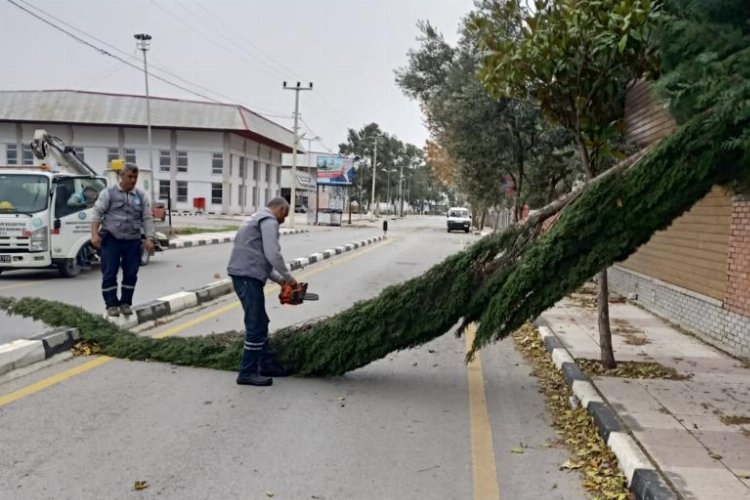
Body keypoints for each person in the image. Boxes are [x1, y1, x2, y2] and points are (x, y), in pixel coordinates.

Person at [227, 197, 297, 387]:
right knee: (256, 325)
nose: (284, 220)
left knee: (261, 321)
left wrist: (281, 281)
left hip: (244, 274)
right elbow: (273, 254)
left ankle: (265, 364)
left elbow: (262, 259)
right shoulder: (269, 221)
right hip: (247, 277)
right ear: (281, 209)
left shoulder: (256, 218)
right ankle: (247, 372)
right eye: (285, 215)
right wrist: (291, 280)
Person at [90, 164, 154, 317]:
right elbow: (97, 214)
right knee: (110, 273)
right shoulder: (108, 194)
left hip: (132, 240)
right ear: (122, 176)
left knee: (131, 273)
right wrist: (94, 234)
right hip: (112, 240)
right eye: (130, 177)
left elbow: (147, 218)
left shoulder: (141, 196)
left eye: (135, 177)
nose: (133, 180)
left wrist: (149, 238)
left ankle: (125, 303)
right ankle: (111, 304)